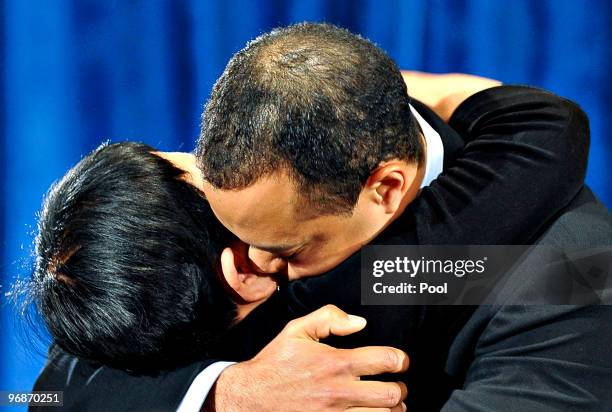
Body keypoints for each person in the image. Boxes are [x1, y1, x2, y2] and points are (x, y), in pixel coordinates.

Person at [31, 23, 609, 411]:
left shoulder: (574, 272)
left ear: (385, 186)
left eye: (288, 248)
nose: (251, 263)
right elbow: (45, 394)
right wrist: (230, 392)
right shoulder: (248, 193)